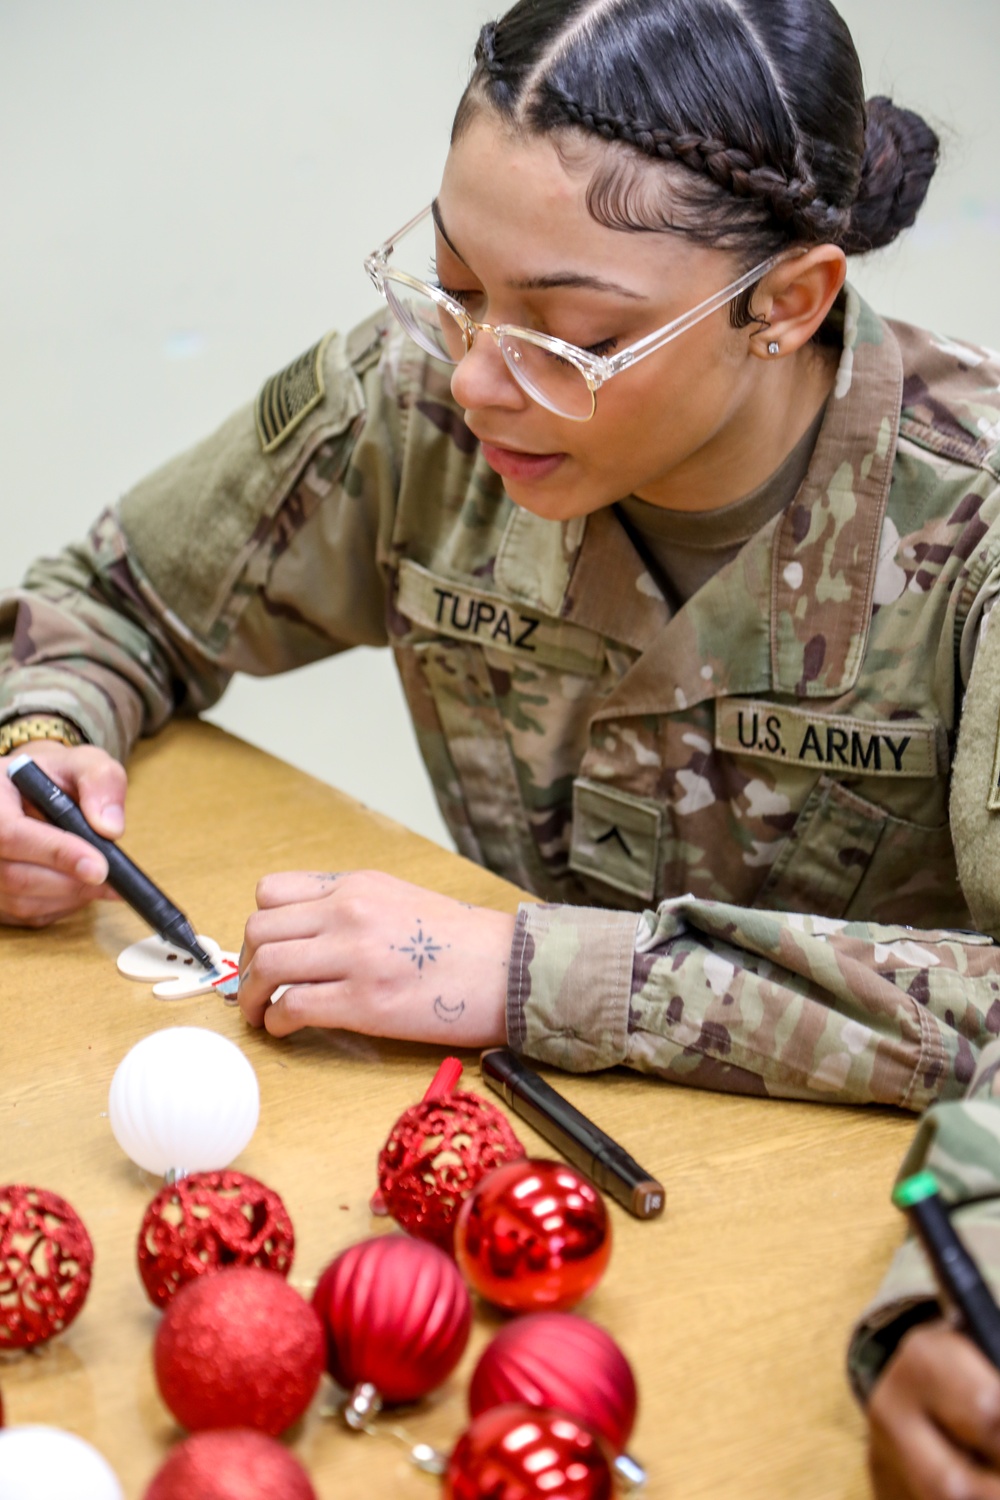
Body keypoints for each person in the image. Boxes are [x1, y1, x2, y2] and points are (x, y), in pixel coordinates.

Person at [2, 0, 1000, 1486]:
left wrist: (521, 968)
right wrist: (46, 737)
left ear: (787, 302)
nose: (475, 378)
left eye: (573, 334)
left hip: (835, 1225)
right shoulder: (420, 398)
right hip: (487, 1171)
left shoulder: (972, 534)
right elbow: (108, 600)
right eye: (455, 284)